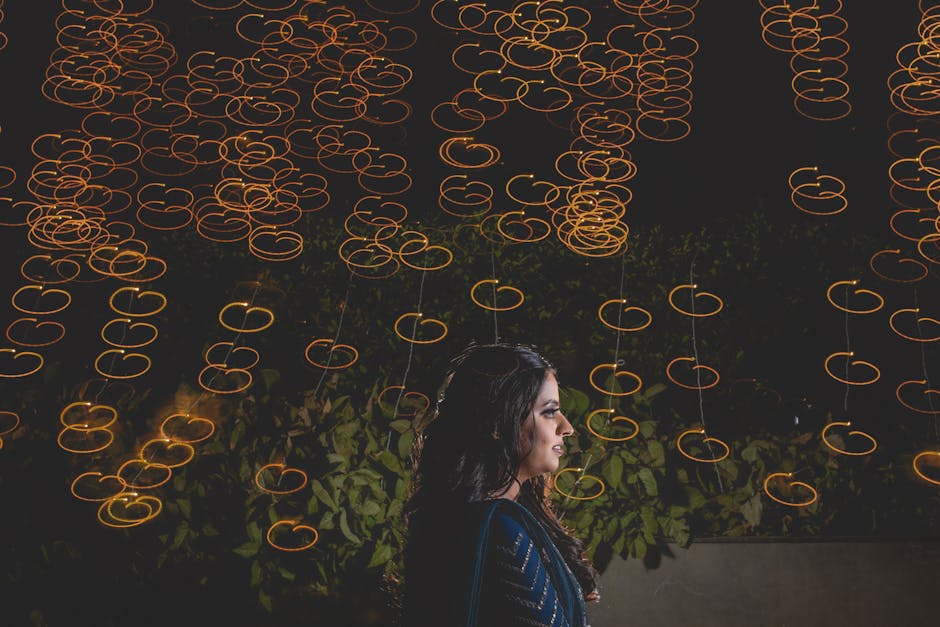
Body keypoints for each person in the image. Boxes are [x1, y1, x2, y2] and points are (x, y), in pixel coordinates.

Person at [401, 342, 599, 627]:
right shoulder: (500, 528)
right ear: (497, 424)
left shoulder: (458, 520)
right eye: (549, 412)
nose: (566, 427)